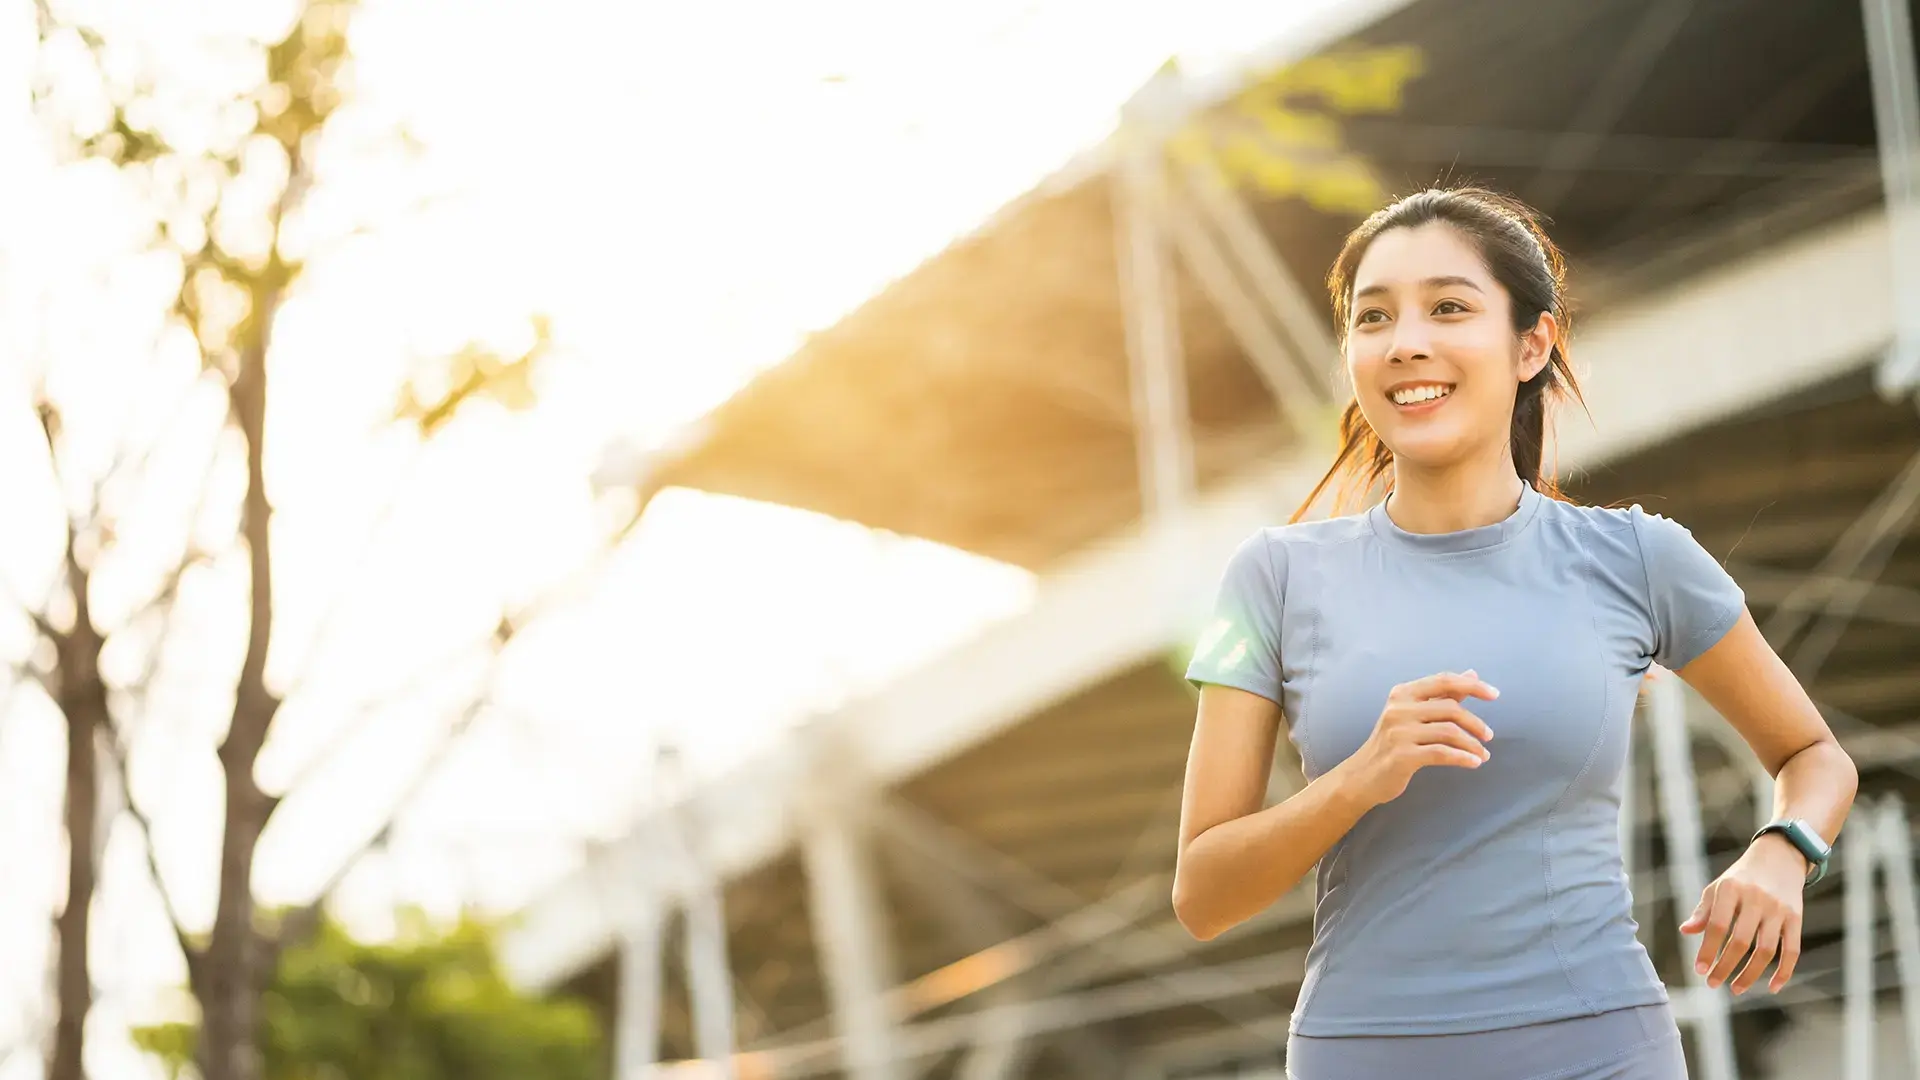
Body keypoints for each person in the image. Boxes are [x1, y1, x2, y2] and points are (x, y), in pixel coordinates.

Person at [1172, 186, 1861, 1079]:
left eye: (1448, 308)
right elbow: (1202, 896)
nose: (1405, 340)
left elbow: (1813, 755)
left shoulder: (1638, 558)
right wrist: (1358, 780)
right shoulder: (1271, 577)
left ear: (1532, 345)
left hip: (1600, 1050)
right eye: (1373, 317)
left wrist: (1784, 851)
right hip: (1365, 1057)